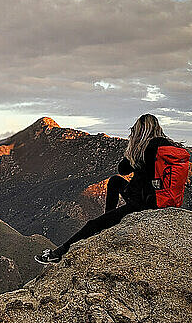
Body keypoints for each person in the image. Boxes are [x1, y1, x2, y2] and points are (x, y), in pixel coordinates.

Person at [35, 113, 181, 264]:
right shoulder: (167, 147)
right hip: (159, 198)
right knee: (115, 181)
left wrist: (132, 149)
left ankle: (59, 253)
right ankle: (109, 220)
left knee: (93, 224)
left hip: (142, 203)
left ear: (140, 131)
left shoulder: (146, 148)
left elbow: (123, 169)